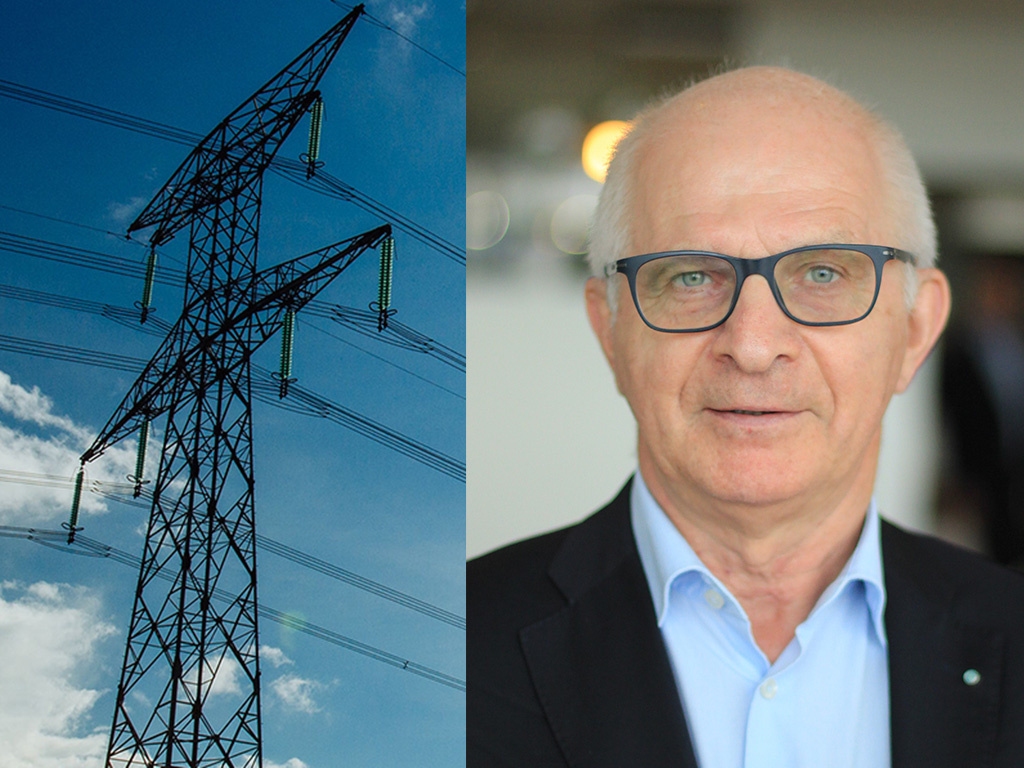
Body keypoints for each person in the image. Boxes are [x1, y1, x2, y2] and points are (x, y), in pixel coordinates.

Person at [468, 67, 1024, 768]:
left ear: (915, 329)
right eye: (692, 277)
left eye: (824, 274)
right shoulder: (441, 643)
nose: (754, 346)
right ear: (610, 331)